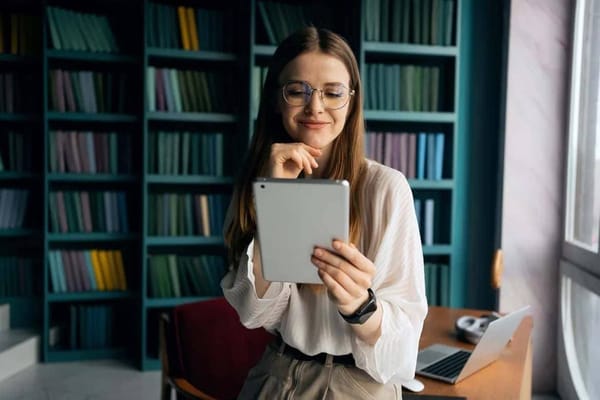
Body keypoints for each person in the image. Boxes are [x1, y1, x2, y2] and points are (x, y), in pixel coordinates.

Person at [221, 26, 427, 399]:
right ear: (276, 99)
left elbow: (401, 351)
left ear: (351, 101)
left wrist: (361, 307)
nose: (315, 107)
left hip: (356, 383)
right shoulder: (257, 181)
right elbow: (253, 314)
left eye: (332, 93)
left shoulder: (386, 188)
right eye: (297, 91)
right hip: (276, 373)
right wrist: (276, 200)